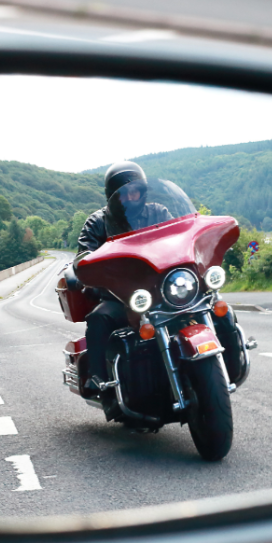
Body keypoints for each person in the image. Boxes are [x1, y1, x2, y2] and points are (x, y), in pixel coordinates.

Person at [76, 161, 172, 401]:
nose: (131, 197)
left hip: (161, 291)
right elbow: (84, 255)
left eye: (135, 191)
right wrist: (87, 266)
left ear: (143, 191)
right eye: (123, 193)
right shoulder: (98, 222)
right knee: (99, 318)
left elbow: (178, 238)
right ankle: (98, 378)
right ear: (112, 196)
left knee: (208, 306)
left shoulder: (158, 213)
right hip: (119, 296)